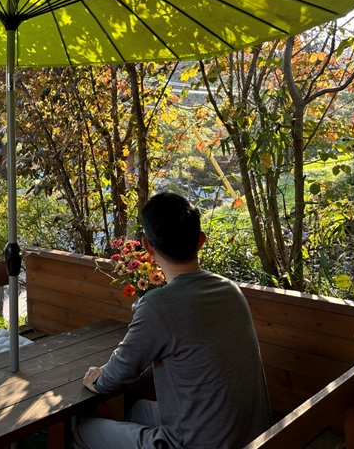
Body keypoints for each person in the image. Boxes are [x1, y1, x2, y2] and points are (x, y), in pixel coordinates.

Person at [73, 192, 272, 449]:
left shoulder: (158, 305)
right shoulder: (230, 289)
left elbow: (117, 376)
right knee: (137, 410)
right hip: (251, 435)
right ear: (200, 241)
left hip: (197, 443)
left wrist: (96, 378)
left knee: (85, 431)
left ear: (147, 246)